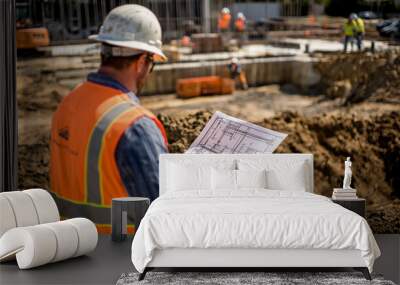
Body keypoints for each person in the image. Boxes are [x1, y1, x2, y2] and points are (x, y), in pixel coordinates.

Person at [50, 5, 168, 234]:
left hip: (69, 250)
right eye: (152, 64)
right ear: (143, 61)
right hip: (122, 259)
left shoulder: (68, 104)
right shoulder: (136, 127)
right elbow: (164, 217)